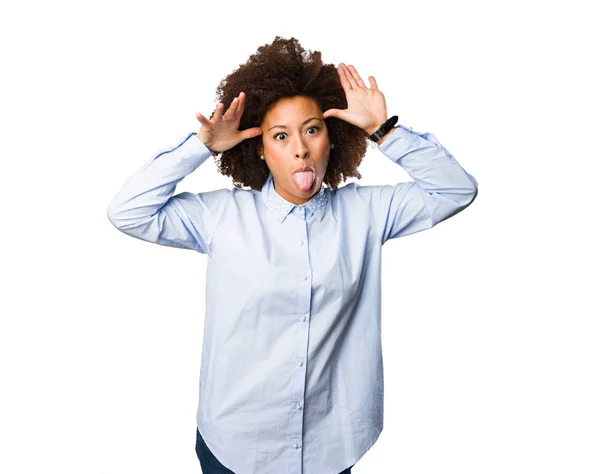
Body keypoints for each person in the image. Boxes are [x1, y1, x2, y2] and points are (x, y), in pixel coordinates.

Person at [107, 36, 478, 474]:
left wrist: (385, 132)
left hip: (331, 442)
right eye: (280, 136)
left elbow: (457, 189)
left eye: (312, 129)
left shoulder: (367, 213)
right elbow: (127, 212)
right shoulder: (222, 217)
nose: (300, 148)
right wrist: (201, 146)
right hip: (237, 444)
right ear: (260, 148)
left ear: (331, 138)